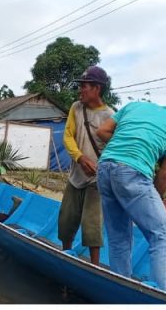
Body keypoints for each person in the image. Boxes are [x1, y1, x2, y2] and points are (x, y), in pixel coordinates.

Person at [96, 89, 166, 291]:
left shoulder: (136, 105)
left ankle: (120, 291)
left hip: (105, 169)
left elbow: (102, 131)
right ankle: (162, 296)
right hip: (133, 174)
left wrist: (127, 148)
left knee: (119, 237)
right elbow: (164, 174)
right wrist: (156, 199)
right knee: (164, 236)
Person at [58, 66, 115, 266]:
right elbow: (68, 137)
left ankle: (95, 267)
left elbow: (114, 151)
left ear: (97, 88)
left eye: (84, 86)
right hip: (76, 177)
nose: (80, 90)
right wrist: (81, 158)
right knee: (66, 221)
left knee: (92, 226)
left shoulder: (110, 116)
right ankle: (66, 256)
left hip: (97, 180)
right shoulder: (76, 108)